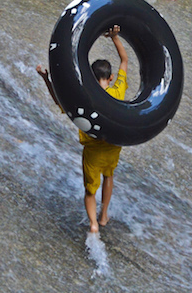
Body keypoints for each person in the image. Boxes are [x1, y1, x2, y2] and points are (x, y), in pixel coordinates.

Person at [34, 26, 129, 234]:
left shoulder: (85, 100)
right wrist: (114, 38)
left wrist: (46, 79)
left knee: (89, 190)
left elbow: (60, 100)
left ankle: (93, 224)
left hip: (92, 152)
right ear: (111, 77)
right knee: (109, 176)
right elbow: (124, 61)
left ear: (90, 79)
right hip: (113, 147)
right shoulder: (118, 89)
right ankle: (103, 216)